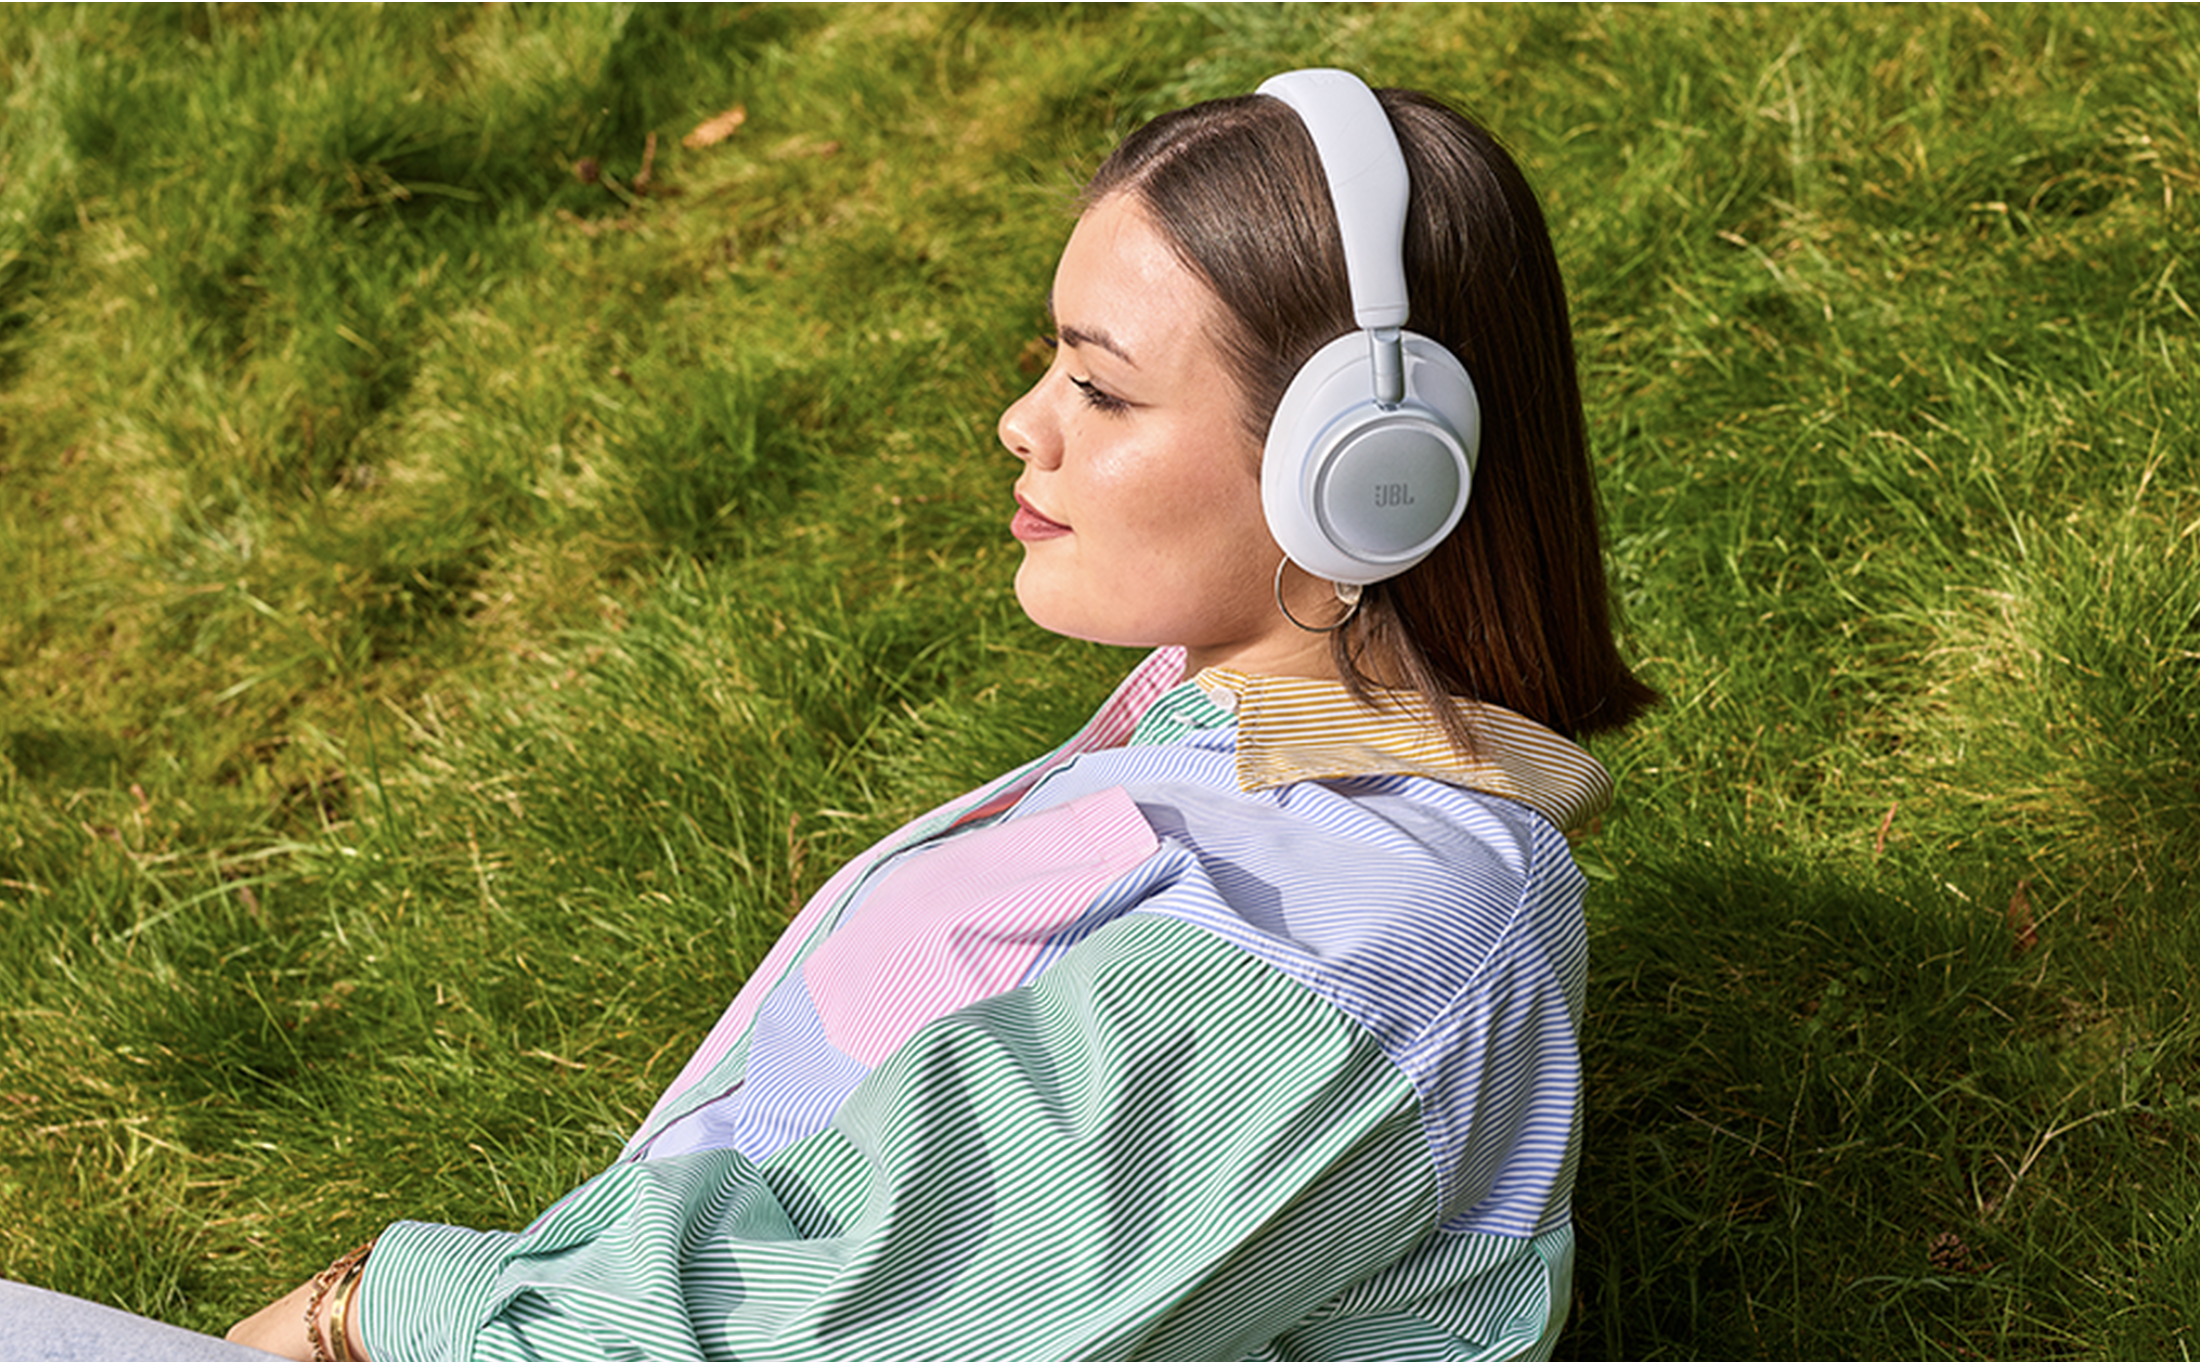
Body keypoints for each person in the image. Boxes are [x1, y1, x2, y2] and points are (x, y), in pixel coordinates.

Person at [18, 69, 1654, 1361]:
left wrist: (382, 1303)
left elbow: (832, 1335)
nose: (1023, 421)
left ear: (1362, 481)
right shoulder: (1240, 728)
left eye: (1098, 382)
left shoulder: (1352, 939)